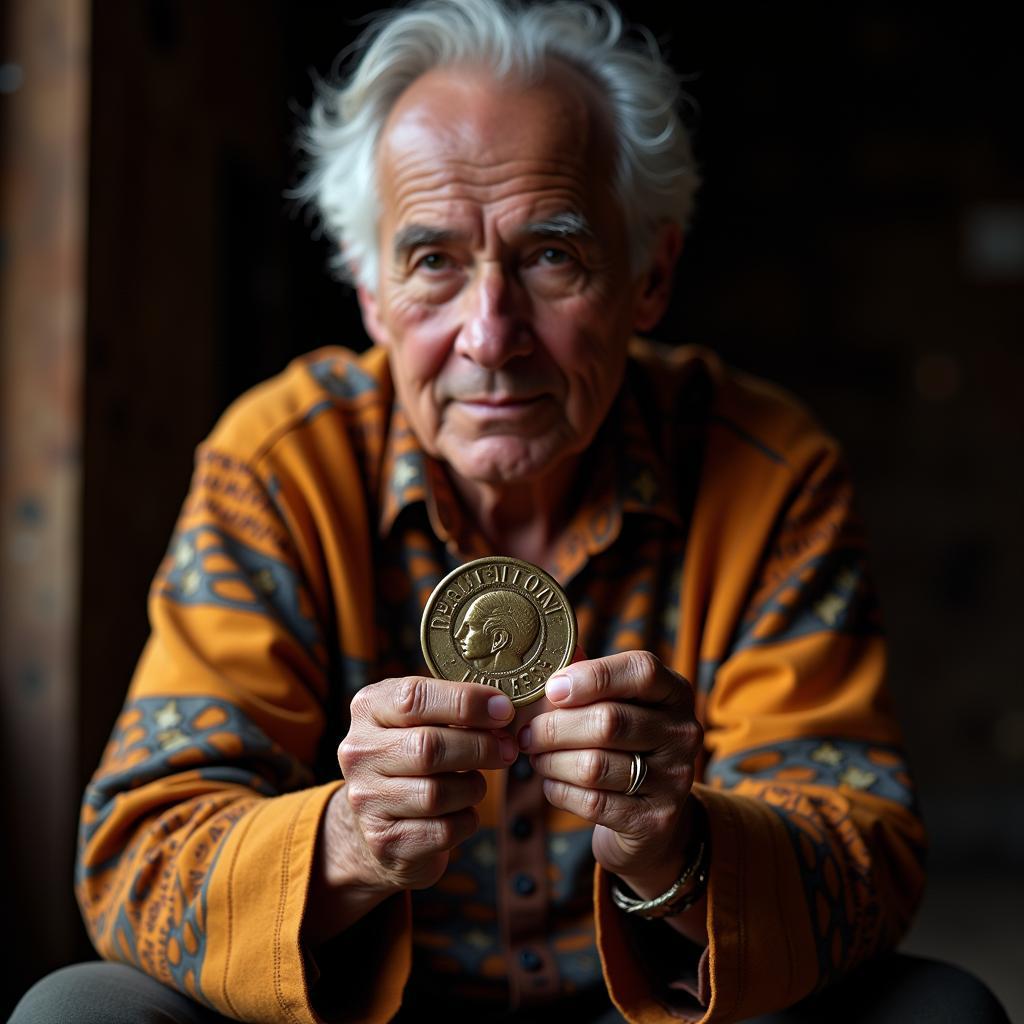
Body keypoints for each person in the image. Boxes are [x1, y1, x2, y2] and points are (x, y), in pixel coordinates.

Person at [11, 1, 1011, 1023]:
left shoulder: (770, 472)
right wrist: (346, 842)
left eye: (550, 257)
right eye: (433, 262)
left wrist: (684, 845)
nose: (491, 336)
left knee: (940, 1010)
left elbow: (866, 850)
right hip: (365, 1010)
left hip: (660, 1011)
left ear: (648, 275)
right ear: (369, 290)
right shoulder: (278, 465)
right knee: (78, 1009)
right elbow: (135, 859)